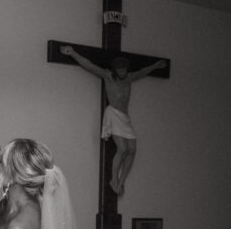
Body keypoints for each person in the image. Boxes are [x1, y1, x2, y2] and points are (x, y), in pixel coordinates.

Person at [60, 44, 166, 195]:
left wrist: (156, 65)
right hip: (113, 113)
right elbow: (89, 65)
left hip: (125, 117)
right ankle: (114, 180)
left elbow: (143, 71)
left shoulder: (129, 78)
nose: (122, 72)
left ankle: (122, 180)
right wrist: (73, 53)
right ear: (115, 69)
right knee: (122, 149)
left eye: (124, 69)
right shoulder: (108, 76)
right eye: (120, 69)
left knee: (132, 150)